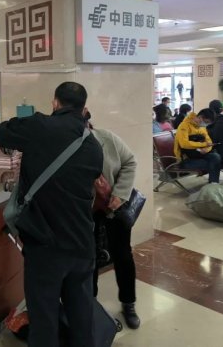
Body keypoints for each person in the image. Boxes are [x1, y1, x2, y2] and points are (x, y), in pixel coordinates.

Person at [0, 82, 103, 347]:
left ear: (55, 103)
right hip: (82, 242)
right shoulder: (93, 144)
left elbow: (2, 133)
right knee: (82, 314)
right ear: (84, 109)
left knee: (44, 318)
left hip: (45, 244)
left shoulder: (39, 125)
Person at [87, 113, 140, 329]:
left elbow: (130, 162)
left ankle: (128, 303)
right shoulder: (65, 146)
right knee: (88, 257)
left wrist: (120, 194)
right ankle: (90, 304)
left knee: (123, 255)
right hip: (85, 211)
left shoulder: (106, 138)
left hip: (113, 207)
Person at [174, 109, 222, 183]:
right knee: (212, 163)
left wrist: (206, 149)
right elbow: (184, 144)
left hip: (198, 155)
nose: (206, 124)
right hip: (185, 159)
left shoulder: (201, 127)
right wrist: (203, 144)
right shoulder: (184, 126)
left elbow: (209, 142)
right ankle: (213, 184)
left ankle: (213, 184)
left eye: (208, 123)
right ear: (200, 117)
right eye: (206, 122)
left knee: (216, 157)